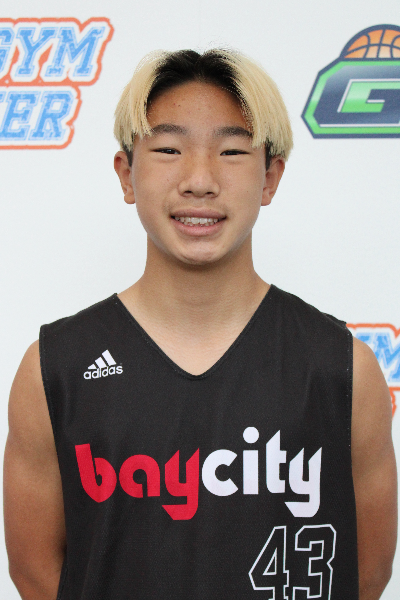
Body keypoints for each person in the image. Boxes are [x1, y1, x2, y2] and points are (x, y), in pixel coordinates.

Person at [4, 48, 397, 600]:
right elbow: (37, 574)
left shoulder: (342, 369)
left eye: (232, 151)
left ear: (270, 177)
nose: (200, 180)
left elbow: (365, 573)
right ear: (126, 174)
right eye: (168, 149)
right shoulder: (55, 370)